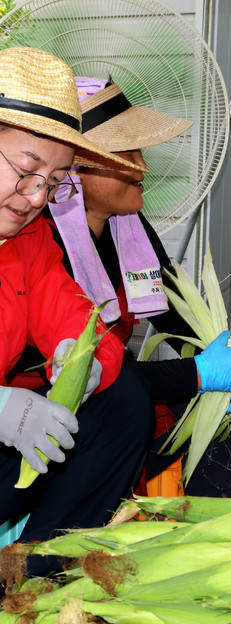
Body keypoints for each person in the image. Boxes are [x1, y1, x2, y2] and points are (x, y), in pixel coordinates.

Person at [12, 78, 231, 497]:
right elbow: (81, 376)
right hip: (47, 413)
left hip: (124, 383)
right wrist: (201, 374)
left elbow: (176, 316)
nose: (144, 167)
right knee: (132, 401)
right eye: (126, 154)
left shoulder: (131, 232)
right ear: (76, 169)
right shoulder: (37, 238)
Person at [0, 47, 155, 567]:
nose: (36, 195)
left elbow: (83, 323)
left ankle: (31, 577)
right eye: (26, 169)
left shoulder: (30, 242)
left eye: (54, 180)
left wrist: (83, 361)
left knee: (123, 401)